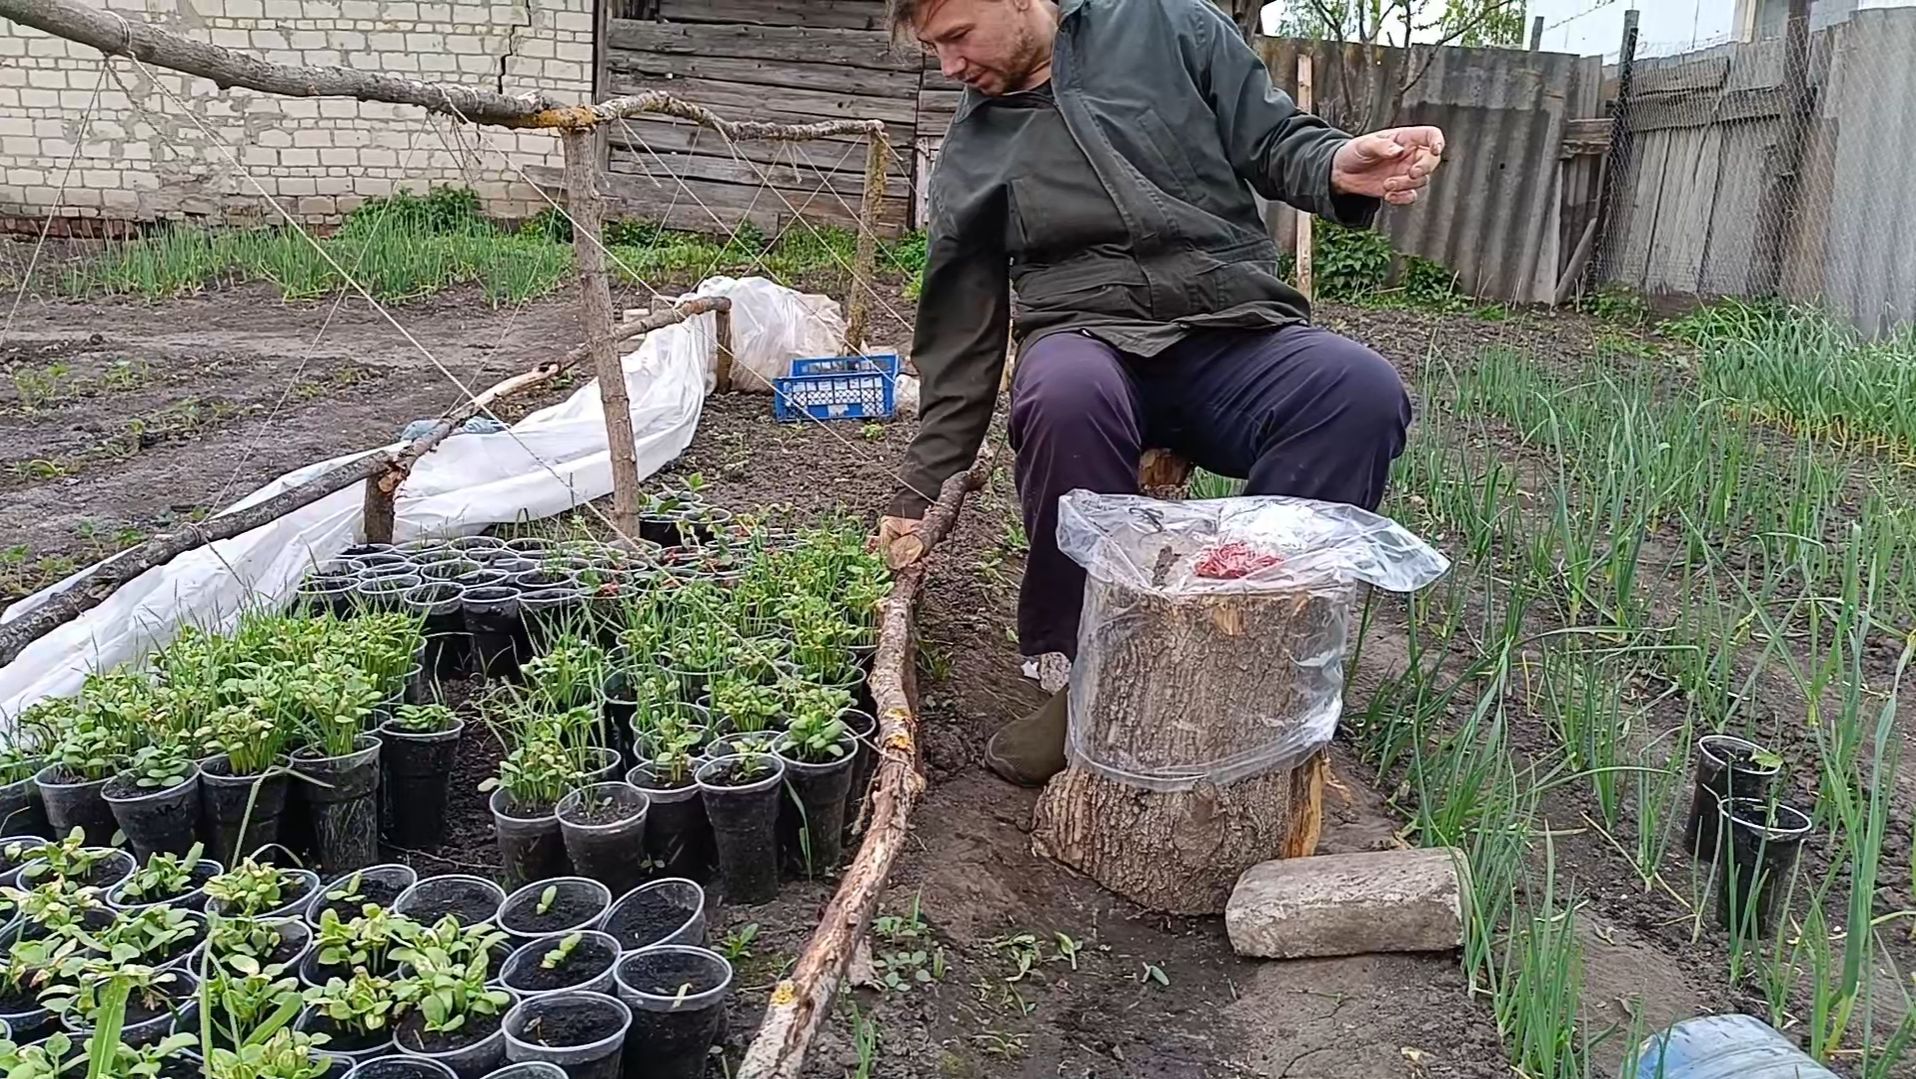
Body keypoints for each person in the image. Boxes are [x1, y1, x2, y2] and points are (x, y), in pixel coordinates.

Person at [873, 0, 1443, 787]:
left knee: (1358, 390)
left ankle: (1242, 657)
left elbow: (1274, 138)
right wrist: (921, 483)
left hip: (1231, 326)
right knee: (1062, 392)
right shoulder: (975, 148)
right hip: (1090, 338)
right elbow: (962, 330)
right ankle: (1088, 682)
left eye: (957, 37)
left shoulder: (1169, 26)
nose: (948, 66)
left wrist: (1337, 164)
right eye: (933, 48)